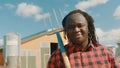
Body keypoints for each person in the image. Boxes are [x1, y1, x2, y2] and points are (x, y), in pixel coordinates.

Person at [47, 9, 120, 68]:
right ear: (66, 31)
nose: (76, 30)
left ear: (88, 28)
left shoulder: (105, 52)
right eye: (71, 27)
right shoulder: (56, 56)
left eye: (80, 25)